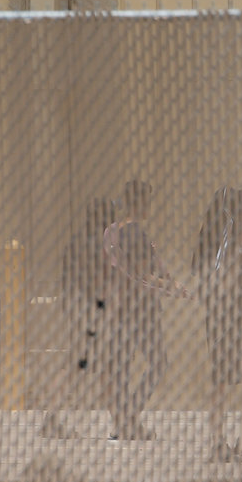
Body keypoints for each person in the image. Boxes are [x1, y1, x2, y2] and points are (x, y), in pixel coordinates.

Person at [102, 180, 190, 440]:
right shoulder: (135, 234)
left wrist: (169, 280)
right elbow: (142, 274)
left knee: (122, 367)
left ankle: (125, 423)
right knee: (158, 363)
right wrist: (170, 286)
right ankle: (129, 417)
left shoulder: (112, 232)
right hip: (140, 310)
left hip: (119, 308)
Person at [194, 188, 242, 461]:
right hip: (230, 316)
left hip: (234, 315)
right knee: (232, 379)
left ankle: (232, 441)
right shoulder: (230, 234)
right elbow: (222, 275)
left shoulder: (214, 236)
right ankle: (228, 442)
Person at [40, 198, 116, 439]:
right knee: (83, 365)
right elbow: (100, 282)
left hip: (73, 307)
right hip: (87, 309)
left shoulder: (76, 241)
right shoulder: (98, 245)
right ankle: (52, 418)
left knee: (76, 364)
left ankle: (53, 418)